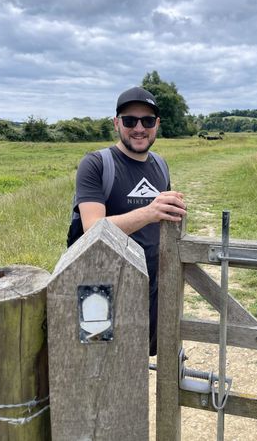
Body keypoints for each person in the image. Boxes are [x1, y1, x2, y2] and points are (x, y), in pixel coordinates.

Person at [74, 86, 186, 355]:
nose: (139, 128)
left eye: (147, 121)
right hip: (100, 288)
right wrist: (150, 211)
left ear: (157, 124)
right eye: (129, 120)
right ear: (116, 123)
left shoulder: (160, 165)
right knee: (98, 364)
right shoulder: (96, 165)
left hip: (151, 284)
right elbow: (92, 229)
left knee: (142, 358)